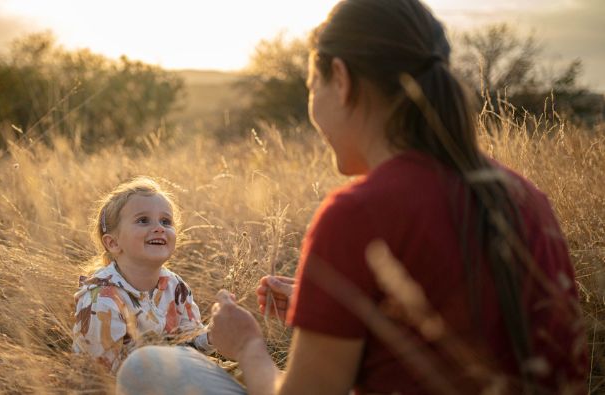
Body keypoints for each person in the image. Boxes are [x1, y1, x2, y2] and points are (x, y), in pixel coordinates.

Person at [115, 0, 588, 394]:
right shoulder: (526, 196)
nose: (312, 102)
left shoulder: (359, 212)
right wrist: (330, 306)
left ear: (339, 78)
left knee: (147, 368)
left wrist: (248, 346)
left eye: (310, 85)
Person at [72, 176, 213, 373]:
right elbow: (106, 375)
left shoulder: (175, 286)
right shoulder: (101, 297)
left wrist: (212, 336)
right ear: (113, 243)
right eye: (143, 220)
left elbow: (190, 343)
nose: (159, 228)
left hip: (172, 377)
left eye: (166, 221)